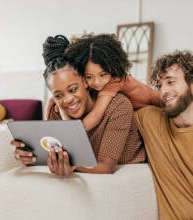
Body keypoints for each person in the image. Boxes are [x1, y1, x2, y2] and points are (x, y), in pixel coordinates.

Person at [12, 35, 146, 175]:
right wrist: (29, 157)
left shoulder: (118, 106)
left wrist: (72, 165)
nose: (68, 99)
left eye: (72, 90)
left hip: (128, 176)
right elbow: (52, 154)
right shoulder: (55, 111)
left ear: (85, 82)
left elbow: (106, 166)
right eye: (58, 95)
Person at [45, 34, 162, 131]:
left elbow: (91, 120)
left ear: (112, 68)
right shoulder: (101, 83)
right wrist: (54, 102)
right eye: (88, 77)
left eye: (103, 74)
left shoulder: (114, 81)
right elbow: (52, 101)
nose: (96, 82)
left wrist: (66, 120)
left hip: (159, 109)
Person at [134, 50, 193, 220]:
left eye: (171, 82)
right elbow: (120, 86)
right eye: (159, 85)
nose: (164, 91)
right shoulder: (151, 120)